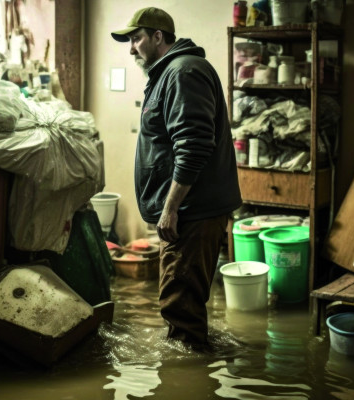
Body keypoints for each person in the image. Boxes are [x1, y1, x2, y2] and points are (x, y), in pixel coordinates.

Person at [111, 7, 242, 349]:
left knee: (179, 306)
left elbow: (194, 144)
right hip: (189, 212)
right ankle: (195, 363)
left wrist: (170, 208)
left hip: (190, 213)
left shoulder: (183, 72)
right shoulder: (170, 73)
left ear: (158, 37)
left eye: (136, 38)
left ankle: (187, 380)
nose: (131, 48)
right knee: (185, 302)